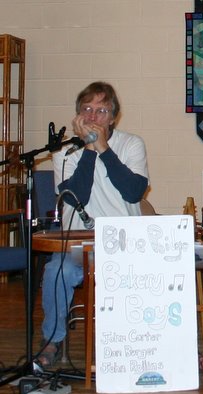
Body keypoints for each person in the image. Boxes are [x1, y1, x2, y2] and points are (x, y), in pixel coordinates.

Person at [38, 81, 149, 366]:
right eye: (87, 109)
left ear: (113, 117)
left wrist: (104, 150)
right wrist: (89, 149)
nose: (93, 117)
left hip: (124, 242)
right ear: (77, 115)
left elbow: (134, 191)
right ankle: (53, 339)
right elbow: (78, 197)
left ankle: (135, 340)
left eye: (101, 110)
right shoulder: (63, 151)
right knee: (55, 271)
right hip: (77, 241)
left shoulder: (131, 144)